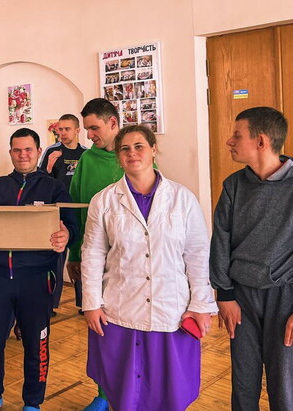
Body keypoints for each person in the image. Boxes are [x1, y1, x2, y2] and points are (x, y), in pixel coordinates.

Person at [82, 125, 217, 410]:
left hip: (172, 309)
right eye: (125, 149)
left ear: (154, 150)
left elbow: (197, 254)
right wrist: (91, 303)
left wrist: (201, 303)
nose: (133, 153)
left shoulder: (183, 199)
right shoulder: (104, 201)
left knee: (170, 391)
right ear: (118, 157)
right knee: (124, 391)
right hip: (121, 308)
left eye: (139, 146)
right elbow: (93, 253)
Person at [210, 107, 293, 410]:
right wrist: (224, 293)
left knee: (283, 388)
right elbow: (220, 240)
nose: (229, 141)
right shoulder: (233, 186)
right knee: (243, 384)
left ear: (261, 141)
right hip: (241, 300)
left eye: (237, 135)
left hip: (287, 301)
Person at [0, 128, 78, 411]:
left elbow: (72, 227)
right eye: (17, 150)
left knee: (35, 344)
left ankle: (33, 402)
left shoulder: (54, 189)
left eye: (28, 149)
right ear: (11, 153)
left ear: (39, 152)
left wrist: (67, 237)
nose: (22, 155)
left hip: (36, 279)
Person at [66, 98, 123, 411]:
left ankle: (129, 388)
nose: (88, 135)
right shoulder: (87, 160)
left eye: (94, 128)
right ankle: (103, 394)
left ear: (113, 122)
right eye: (86, 128)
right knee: (100, 326)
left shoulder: (135, 154)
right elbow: (76, 206)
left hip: (129, 261)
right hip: (95, 256)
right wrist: (75, 253)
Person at [38, 114, 87, 315]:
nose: (63, 133)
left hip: (81, 210)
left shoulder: (86, 154)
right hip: (58, 212)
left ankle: (85, 303)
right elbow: (39, 180)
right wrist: (49, 166)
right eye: (60, 129)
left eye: (67, 129)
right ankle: (51, 304)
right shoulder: (52, 151)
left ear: (77, 130)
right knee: (56, 258)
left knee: (84, 256)